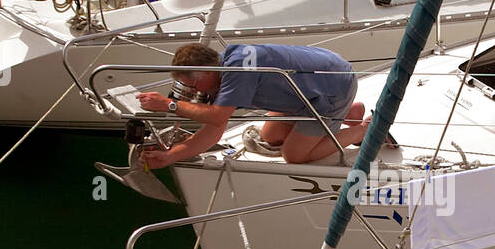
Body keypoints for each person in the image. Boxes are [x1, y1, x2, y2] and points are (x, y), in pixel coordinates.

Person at [136, 43, 372, 166]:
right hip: (313, 86)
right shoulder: (224, 63)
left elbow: (217, 119)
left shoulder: (237, 71)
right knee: (270, 138)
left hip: (333, 89)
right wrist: (171, 156)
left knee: (294, 155)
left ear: (207, 72)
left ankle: (365, 130)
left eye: (193, 85)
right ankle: (348, 113)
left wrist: (169, 105)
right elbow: (214, 128)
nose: (195, 91)